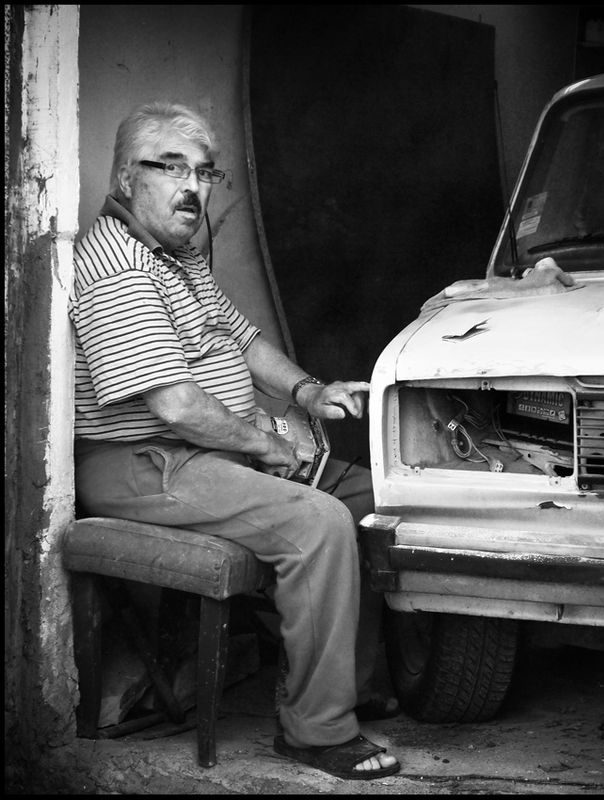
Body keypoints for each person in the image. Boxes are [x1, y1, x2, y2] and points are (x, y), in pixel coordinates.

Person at [69, 101, 400, 780]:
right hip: (143, 463)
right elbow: (177, 406)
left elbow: (241, 339)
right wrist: (266, 443)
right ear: (127, 178)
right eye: (172, 169)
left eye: (204, 173)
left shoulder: (178, 257)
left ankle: (344, 682)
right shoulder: (119, 267)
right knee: (317, 523)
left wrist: (306, 392)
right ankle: (316, 730)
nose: (192, 187)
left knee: (371, 499)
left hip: (203, 452)